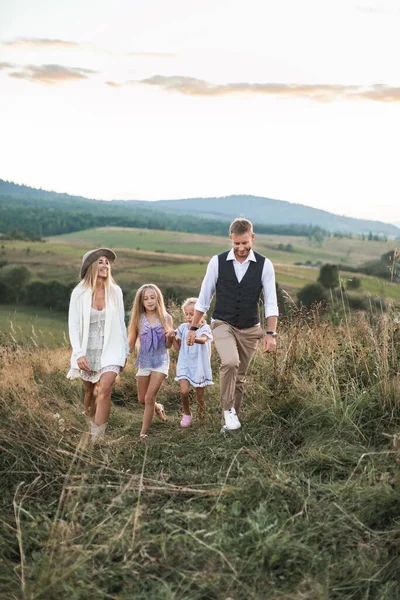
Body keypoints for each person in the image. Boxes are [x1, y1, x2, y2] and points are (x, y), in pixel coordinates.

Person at [187, 218, 279, 432]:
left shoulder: (265, 265)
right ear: (231, 239)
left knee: (239, 378)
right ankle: (228, 409)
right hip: (222, 323)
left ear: (252, 238)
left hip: (250, 328)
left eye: (245, 243)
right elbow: (204, 298)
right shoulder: (217, 262)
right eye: (237, 243)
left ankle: (229, 427)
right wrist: (193, 327)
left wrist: (270, 333)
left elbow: (271, 301)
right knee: (230, 362)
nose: (241, 248)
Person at [67, 248, 130, 439]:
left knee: (104, 389)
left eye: (107, 262)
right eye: (101, 261)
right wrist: (78, 353)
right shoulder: (79, 293)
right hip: (88, 350)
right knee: (90, 391)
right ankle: (87, 422)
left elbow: (121, 322)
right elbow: (74, 324)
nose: (105, 265)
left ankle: (97, 437)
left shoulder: (115, 291)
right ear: (92, 265)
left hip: (111, 349)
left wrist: (125, 351)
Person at [127, 284, 174, 440]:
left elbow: (168, 346)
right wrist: (123, 358)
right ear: (141, 301)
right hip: (145, 361)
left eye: (152, 297)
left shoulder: (166, 318)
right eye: (146, 298)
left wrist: (170, 338)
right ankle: (158, 408)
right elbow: (131, 342)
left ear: (158, 298)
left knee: (149, 397)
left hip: (161, 360)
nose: (149, 301)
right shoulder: (138, 319)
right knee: (142, 399)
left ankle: (143, 434)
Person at [171, 297, 213, 427]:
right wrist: (172, 337)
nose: (189, 317)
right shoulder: (183, 328)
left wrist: (193, 337)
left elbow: (204, 340)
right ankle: (187, 413)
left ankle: (202, 419)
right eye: (187, 314)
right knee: (184, 391)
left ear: (201, 314)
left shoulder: (205, 328)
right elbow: (178, 349)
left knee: (200, 397)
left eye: (192, 314)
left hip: (199, 366)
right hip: (184, 365)